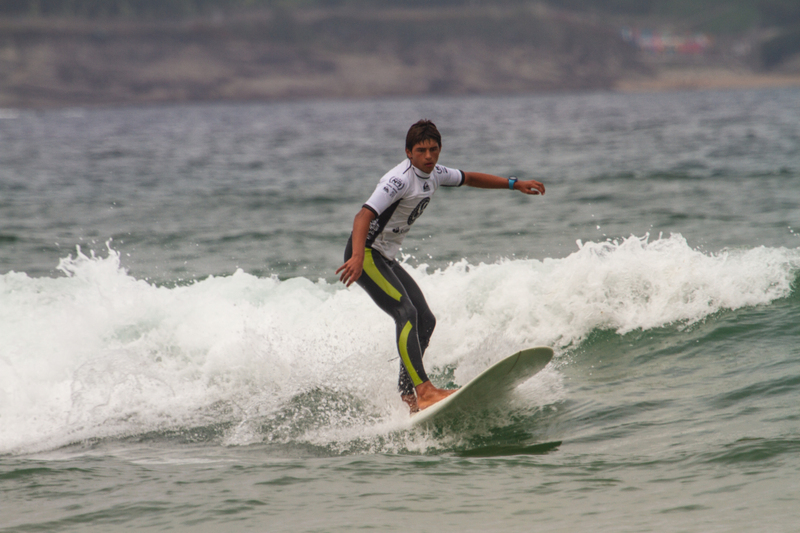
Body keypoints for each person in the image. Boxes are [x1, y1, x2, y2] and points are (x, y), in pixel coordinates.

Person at [336, 119, 545, 413]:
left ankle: (408, 396)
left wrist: (514, 183)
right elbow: (363, 216)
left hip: (384, 256)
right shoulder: (398, 180)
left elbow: (469, 178)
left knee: (425, 319)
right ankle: (424, 391)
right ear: (408, 152)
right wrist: (358, 256)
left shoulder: (435, 173)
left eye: (434, 149)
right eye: (421, 151)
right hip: (367, 254)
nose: (429, 156)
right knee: (406, 313)